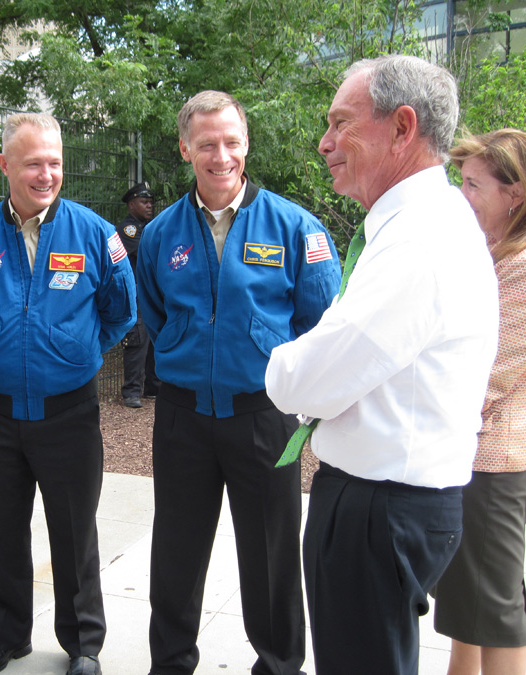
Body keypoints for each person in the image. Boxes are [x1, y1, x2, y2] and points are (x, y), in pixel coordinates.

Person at [265, 55, 500, 675]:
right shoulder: (416, 226)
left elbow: (309, 379)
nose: (325, 142)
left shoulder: (419, 239)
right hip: (384, 503)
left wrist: (282, 365)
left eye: (341, 123)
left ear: (402, 128)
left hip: (381, 510)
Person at [135, 90, 340, 675]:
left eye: (230, 142)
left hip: (263, 417)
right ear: (185, 149)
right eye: (206, 144)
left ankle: (278, 664)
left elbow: (319, 321)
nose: (219, 155)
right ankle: (170, 662)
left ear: (246, 144)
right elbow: (154, 312)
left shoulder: (295, 226)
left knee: (273, 556)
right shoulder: (160, 234)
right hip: (183, 418)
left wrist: (270, 363)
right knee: (176, 551)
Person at [0, 112, 136, 675]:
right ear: (5, 165)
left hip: (68, 412)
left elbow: (120, 311)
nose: (46, 173)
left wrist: (76, 350)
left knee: (74, 532)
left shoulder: (95, 234)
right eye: (33, 163)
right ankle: (6, 638)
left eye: (54, 162)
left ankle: (83, 646)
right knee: (2, 530)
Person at [432, 129, 526, 675]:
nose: (462, 195)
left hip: (493, 459)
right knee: (467, 605)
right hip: (473, 455)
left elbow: (488, 371)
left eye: (474, 184)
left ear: (513, 194)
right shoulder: (491, 251)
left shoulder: (517, 265)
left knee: (494, 608)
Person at [117, 181, 159, 408]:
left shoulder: (150, 228)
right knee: (137, 340)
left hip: (151, 293)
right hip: (135, 293)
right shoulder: (128, 229)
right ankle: (131, 391)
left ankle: (153, 387)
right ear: (132, 204)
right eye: (144, 202)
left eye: (151, 202)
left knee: (155, 339)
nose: (149, 206)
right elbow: (148, 252)